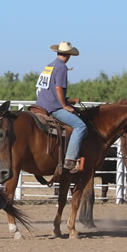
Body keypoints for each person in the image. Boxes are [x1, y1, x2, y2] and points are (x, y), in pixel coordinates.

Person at [36, 41, 85, 173]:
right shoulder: (62, 67)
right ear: (68, 55)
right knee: (81, 126)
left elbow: (48, 89)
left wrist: (70, 100)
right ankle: (70, 159)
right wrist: (64, 105)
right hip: (53, 107)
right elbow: (58, 88)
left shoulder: (49, 66)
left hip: (40, 104)